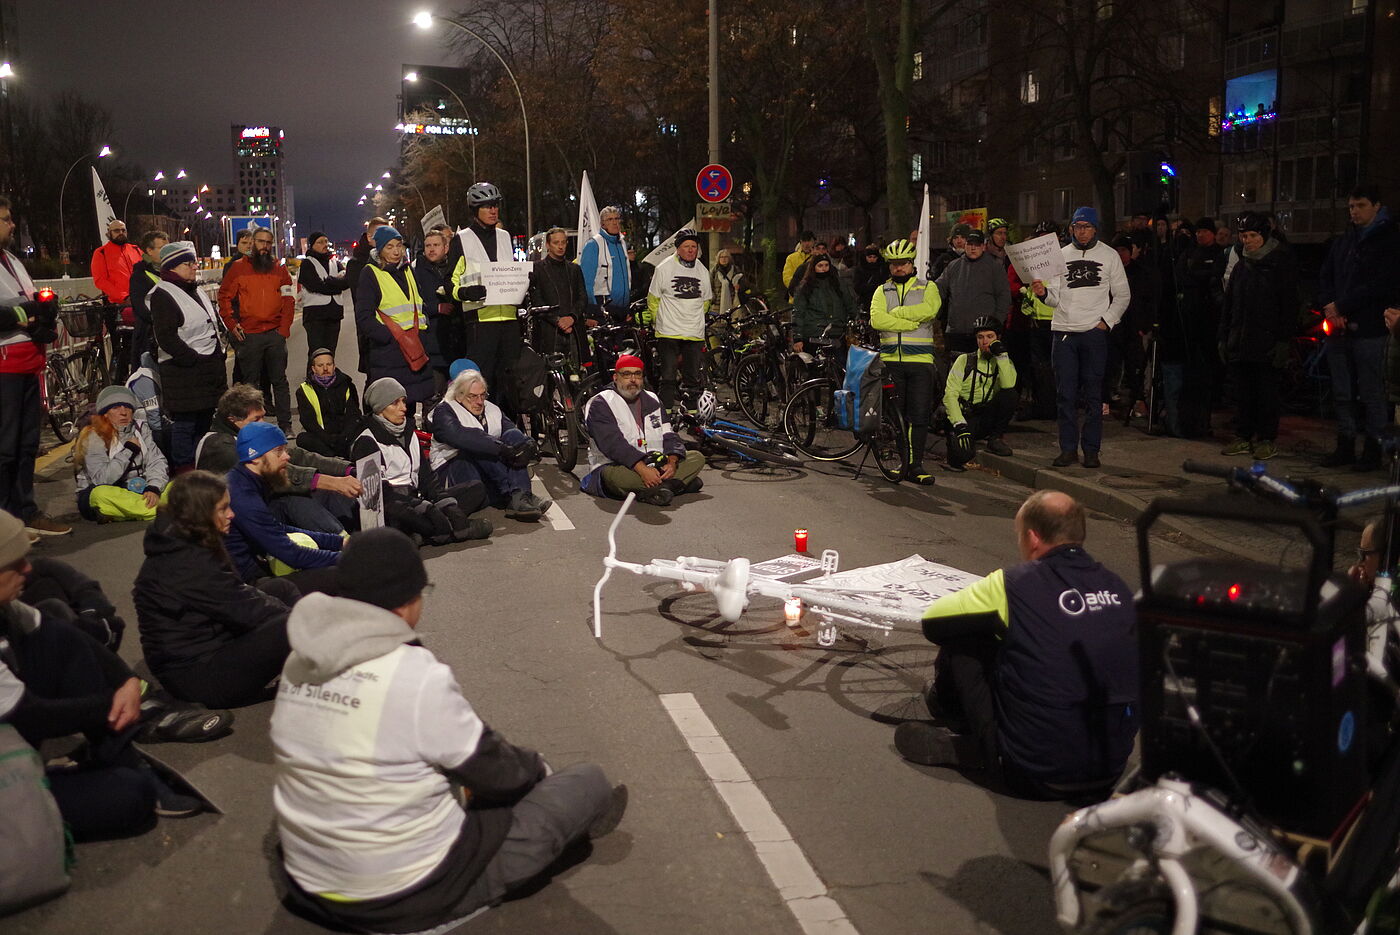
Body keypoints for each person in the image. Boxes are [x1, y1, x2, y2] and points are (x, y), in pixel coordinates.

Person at [270, 527, 626, 934]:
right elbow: (504, 773)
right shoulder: (413, 675)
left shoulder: (300, 661)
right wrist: (540, 775)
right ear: (407, 604)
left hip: (308, 881)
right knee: (585, 782)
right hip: (402, 897)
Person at [894, 491, 1138, 799]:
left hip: (1033, 772)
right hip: (1108, 770)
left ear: (1033, 537)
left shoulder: (1015, 583)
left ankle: (970, 736)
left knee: (966, 637)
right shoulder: (1117, 586)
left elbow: (934, 623)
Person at [0, 511, 208, 837]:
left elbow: (62, 635)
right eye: (14, 563)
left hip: (11, 744)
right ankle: (96, 767)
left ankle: (119, 755)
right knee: (130, 798)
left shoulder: (6, 607)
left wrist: (126, 680)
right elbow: (30, 716)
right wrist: (109, 705)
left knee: (54, 630)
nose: (27, 568)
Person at [134, 470, 299, 709]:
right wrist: (304, 624)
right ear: (200, 513)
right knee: (292, 624)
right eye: (223, 509)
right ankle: (326, 668)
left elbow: (238, 595)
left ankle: (306, 662)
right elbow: (247, 608)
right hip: (198, 677)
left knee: (279, 588)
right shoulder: (186, 562)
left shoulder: (183, 539)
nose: (231, 514)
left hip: (207, 651)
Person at [1033, 207, 1130, 469]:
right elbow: (1054, 299)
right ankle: (1067, 449)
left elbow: (1122, 295)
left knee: (1093, 395)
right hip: (1064, 333)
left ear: (1095, 228)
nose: (1082, 231)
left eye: (1086, 226)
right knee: (1065, 395)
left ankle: (1091, 451)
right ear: (1071, 229)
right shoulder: (1060, 256)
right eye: (1077, 226)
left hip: (1093, 334)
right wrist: (1043, 293)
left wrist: (1105, 322)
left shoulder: (1109, 256)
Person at [198, 383, 360, 535]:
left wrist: (348, 469)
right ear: (233, 420)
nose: (263, 424)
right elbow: (275, 474)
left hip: (256, 506)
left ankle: (357, 533)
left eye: (263, 417)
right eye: (256, 419)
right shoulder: (220, 446)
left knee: (327, 493)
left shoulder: (247, 435)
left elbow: (297, 456)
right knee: (293, 497)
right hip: (232, 523)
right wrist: (333, 482)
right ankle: (341, 543)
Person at [0, 197, 71, 536]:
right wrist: (27, 316)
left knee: (27, 445)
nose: (12, 225)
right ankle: (6, 522)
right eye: (5, 219)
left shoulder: (12, 259)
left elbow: (29, 303)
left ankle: (25, 511)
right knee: (5, 447)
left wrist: (44, 311)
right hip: (5, 366)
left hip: (29, 362)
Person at [352, 377, 491, 545]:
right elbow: (378, 495)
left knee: (476, 489)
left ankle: (429, 531)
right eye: (395, 403)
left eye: (403, 401)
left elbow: (427, 477)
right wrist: (422, 506)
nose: (403, 408)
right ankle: (454, 531)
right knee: (401, 513)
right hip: (392, 505)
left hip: (417, 497)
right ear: (380, 409)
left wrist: (445, 504)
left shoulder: (410, 432)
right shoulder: (367, 440)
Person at [1319, 185, 1400, 471]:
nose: (1354, 211)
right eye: (1352, 206)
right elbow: (1326, 275)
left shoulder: (1389, 240)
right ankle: (1345, 443)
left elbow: (1382, 284)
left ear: (1376, 206)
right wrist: (1332, 306)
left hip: (1370, 328)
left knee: (1372, 392)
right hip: (1341, 329)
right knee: (1342, 391)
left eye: (1360, 205)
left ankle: (1372, 449)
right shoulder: (1345, 241)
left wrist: (1342, 305)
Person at [225, 421, 347, 593]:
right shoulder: (242, 495)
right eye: (278, 451)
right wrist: (347, 558)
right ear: (254, 456)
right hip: (246, 586)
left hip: (255, 573)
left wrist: (339, 542)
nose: (287, 456)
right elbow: (292, 554)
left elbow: (277, 529)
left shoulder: (247, 481)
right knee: (343, 574)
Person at [1217, 213, 1300, 461]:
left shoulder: (1280, 264)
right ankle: (1243, 436)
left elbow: (1289, 306)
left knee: (1266, 394)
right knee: (1243, 393)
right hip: (1240, 341)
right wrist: (1224, 336)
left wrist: (1284, 341)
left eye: (1253, 235)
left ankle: (1266, 439)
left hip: (1267, 342)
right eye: (1244, 236)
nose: (1248, 240)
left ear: (1264, 236)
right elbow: (1229, 305)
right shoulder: (1242, 266)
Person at [580, 355, 705, 505]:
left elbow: (669, 434)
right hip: (617, 466)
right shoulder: (601, 403)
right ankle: (674, 484)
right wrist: (642, 469)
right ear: (616, 377)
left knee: (697, 457)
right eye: (626, 374)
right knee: (619, 478)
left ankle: (660, 488)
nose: (633, 379)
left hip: (656, 463)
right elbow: (613, 445)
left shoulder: (653, 399)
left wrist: (672, 462)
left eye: (637, 374)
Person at [429, 368, 551, 521]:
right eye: (473, 396)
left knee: (512, 437)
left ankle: (520, 496)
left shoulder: (491, 408)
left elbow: (512, 431)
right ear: (459, 396)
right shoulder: (444, 411)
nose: (480, 401)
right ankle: (515, 495)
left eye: (483, 395)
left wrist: (527, 445)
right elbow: (462, 437)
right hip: (455, 475)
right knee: (479, 445)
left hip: (487, 475)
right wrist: (501, 449)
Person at [149, 240, 227, 471]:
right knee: (185, 423)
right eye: (188, 263)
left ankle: (200, 465)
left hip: (205, 370)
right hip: (184, 372)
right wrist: (190, 359)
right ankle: (184, 469)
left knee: (203, 420)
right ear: (172, 267)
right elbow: (166, 337)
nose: (195, 267)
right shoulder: (163, 294)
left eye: (194, 262)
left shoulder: (195, 289)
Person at [870, 238, 941, 485]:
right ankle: (904, 462)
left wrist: (898, 314)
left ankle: (916, 465)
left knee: (919, 416)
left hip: (920, 361)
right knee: (897, 417)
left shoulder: (927, 287)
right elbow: (877, 321)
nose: (898, 268)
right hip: (891, 361)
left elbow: (930, 311)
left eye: (903, 264)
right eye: (894, 264)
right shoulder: (882, 290)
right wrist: (910, 323)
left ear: (912, 264)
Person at [218, 227, 295, 432]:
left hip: (274, 334)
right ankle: (253, 427)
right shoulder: (237, 268)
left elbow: (288, 299)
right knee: (251, 385)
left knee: (279, 381)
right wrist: (232, 325)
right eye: (261, 242)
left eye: (268, 243)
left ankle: (285, 425)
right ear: (253, 243)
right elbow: (223, 297)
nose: (265, 246)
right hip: (250, 335)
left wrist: (284, 329)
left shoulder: (279, 269)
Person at [355, 225, 434, 421]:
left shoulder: (408, 270)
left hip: (414, 351)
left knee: (409, 408)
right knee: (390, 410)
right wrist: (389, 338)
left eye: (399, 245)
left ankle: (410, 448)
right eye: (389, 247)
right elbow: (364, 317)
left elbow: (419, 303)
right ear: (380, 249)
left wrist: (423, 333)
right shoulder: (370, 273)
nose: (396, 251)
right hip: (389, 356)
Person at [451, 183, 520, 407]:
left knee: (510, 382)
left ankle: (510, 427)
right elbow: (450, 281)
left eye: (496, 206)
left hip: (509, 320)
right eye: (487, 207)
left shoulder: (505, 236)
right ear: (475, 210)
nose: (493, 210)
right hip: (480, 321)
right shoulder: (461, 239)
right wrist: (465, 292)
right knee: (482, 382)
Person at [74, 386, 169, 523]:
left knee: (179, 485)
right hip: (107, 492)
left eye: (127, 407)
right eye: (116, 408)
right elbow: (102, 479)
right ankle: (165, 510)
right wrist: (129, 451)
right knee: (100, 495)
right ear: (105, 413)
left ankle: (133, 511)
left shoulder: (141, 429)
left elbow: (157, 461)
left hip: (139, 490)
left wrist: (153, 488)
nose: (123, 412)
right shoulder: (93, 436)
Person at [643, 229, 712, 412]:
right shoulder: (663, 268)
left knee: (692, 377)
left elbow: (706, 301)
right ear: (678, 248)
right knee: (668, 376)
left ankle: (691, 415)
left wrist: (694, 318)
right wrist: (660, 322)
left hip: (693, 333)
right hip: (668, 331)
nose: (691, 250)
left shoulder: (702, 270)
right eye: (686, 246)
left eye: (694, 247)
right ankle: (665, 415)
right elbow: (653, 299)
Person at [943, 317, 1016, 470]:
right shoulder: (964, 360)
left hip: (986, 415)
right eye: (980, 337)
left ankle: (995, 439)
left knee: (1010, 394)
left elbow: (1008, 385)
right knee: (962, 456)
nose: (985, 342)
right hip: (965, 416)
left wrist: (1001, 356)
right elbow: (950, 395)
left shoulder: (1004, 361)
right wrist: (959, 424)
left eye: (990, 337)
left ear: (998, 339)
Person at [935, 228, 1011, 356]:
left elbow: (1004, 297)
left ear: (983, 246)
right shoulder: (953, 266)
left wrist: (995, 325)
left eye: (977, 245)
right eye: (970, 244)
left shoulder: (994, 267)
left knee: (983, 372)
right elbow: (937, 289)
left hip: (983, 335)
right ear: (965, 245)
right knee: (956, 372)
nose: (973, 248)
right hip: (956, 332)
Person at [527, 227, 589, 369]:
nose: (560, 246)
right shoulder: (537, 269)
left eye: (563, 242)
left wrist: (571, 318)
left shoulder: (574, 269)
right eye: (556, 243)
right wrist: (557, 320)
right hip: (549, 332)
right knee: (551, 376)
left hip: (574, 331)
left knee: (577, 374)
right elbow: (536, 300)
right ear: (548, 245)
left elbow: (582, 297)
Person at [412, 227, 464, 395]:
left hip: (457, 342)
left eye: (436, 245)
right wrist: (436, 308)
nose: (431, 249)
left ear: (446, 248)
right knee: (434, 395)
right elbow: (412, 302)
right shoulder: (416, 271)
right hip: (432, 344)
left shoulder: (456, 267)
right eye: (428, 245)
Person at [90, 219, 142, 381]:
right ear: (109, 234)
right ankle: (120, 381)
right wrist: (123, 296)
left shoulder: (135, 250)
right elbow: (100, 280)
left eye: (123, 230)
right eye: (116, 231)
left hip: (138, 304)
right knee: (121, 347)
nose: (121, 233)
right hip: (116, 306)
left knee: (140, 343)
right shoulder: (101, 253)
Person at [295, 348, 361, 459]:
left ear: (334, 366)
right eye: (320, 366)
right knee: (302, 438)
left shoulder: (347, 384)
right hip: (323, 438)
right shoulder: (304, 390)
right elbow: (309, 423)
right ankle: (334, 456)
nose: (325, 369)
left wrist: (344, 437)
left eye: (329, 364)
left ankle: (341, 454)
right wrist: (329, 440)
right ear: (313, 369)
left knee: (364, 427)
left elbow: (353, 414)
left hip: (345, 436)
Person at [297, 231, 352, 357]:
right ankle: (312, 376)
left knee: (330, 353)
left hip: (334, 314)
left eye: (326, 241)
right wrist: (336, 286)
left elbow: (347, 282)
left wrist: (329, 282)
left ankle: (329, 377)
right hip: (315, 316)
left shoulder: (334, 262)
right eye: (320, 242)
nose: (325, 244)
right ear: (312, 245)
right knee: (317, 353)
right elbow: (316, 286)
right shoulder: (307, 263)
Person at [791, 254, 857, 352]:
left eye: (826, 265)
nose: (824, 269)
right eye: (820, 266)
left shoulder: (838, 284)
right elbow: (798, 313)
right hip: (814, 335)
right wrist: (798, 338)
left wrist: (855, 320)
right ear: (814, 267)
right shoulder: (805, 287)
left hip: (837, 332)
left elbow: (849, 303)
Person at [580, 204, 631, 320]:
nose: (615, 222)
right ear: (602, 224)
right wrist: (593, 310)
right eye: (610, 219)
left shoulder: (622, 243)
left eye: (617, 218)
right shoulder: (593, 245)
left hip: (623, 309)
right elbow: (585, 282)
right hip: (603, 309)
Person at [127, 229, 169, 367]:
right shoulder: (139, 276)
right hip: (148, 338)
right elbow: (141, 308)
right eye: (162, 248)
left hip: (167, 335)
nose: (167, 252)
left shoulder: (170, 272)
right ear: (149, 251)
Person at [710, 248, 746, 316]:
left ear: (729, 258)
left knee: (733, 321)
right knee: (717, 324)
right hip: (717, 304)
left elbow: (744, 283)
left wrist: (739, 287)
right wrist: (713, 298)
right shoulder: (714, 271)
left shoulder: (736, 270)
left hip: (733, 302)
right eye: (721, 257)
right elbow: (709, 286)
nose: (724, 259)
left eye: (726, 257)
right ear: (718, 258)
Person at [853, 244, 886, 311]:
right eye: (870, 257)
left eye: (874, 257)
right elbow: (857, 286)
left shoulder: (882, 268)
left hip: (880, 300)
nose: (872, 259)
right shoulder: (860, 269)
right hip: (865, 301)